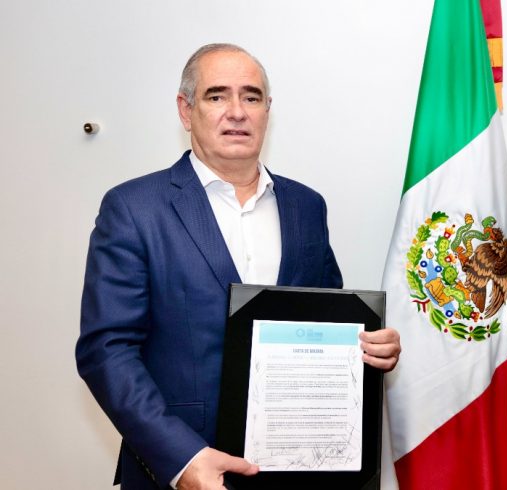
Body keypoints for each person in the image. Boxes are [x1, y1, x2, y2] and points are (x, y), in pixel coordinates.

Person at [75, 43, 401, 490]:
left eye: (251, 97)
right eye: (216, 96)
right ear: (186, 111)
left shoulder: (307, 206)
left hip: (297, 472)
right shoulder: (134, 209)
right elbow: (106, 351)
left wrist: (368, 349)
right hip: (179, 470)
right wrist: (181, 460)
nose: (237, 112)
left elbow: (328, 323)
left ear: (268, 110)